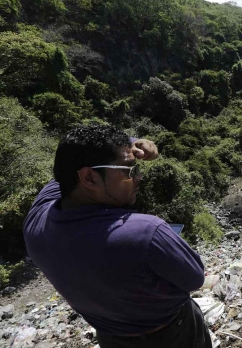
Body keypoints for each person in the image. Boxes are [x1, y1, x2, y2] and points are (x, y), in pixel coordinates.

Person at [23, 125, 212, 348]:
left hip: (110, 337)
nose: (139, 176)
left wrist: (132, 143)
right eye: (129, 170)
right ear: (89, 178)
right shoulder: (146, 233)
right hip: (172, 334)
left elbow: (66, 169)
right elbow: (194, 278)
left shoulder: (37, 221)